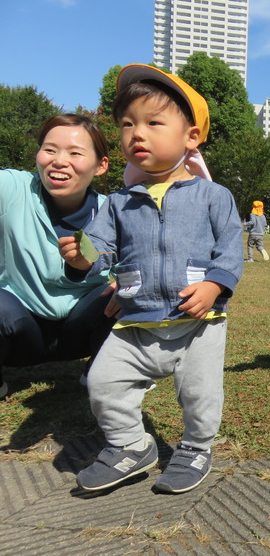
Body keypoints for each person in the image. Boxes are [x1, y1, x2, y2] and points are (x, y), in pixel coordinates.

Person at [59, 64, 243, 493]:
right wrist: (81, 259)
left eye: (153, 123)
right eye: (127, 124)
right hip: (135, 322)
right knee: (103, 383)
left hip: (197, 322)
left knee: (199, 395)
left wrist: (215, 284)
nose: (136, 134)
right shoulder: (119, 202)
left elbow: (231, 247)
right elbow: (100, 248)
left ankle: (197, 447)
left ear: (190, 137)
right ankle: (130, 445)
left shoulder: (213, 196)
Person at [0, 114, 116, 400]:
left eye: (75, 153)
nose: (59, 161)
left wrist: (125, 286)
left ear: (101, 166)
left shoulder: (114, 212)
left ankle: (100, 375)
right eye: (50, 149)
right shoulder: (13, 188)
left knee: (129, 293)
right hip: (18, 327)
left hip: (82, 328)